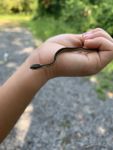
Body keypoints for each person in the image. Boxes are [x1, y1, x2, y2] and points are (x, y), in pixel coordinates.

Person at [0, 28, 113, 142]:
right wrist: (39, 58)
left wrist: (39, 58)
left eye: (35, 65)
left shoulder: (48, 61)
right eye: (35, 66)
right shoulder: (47, 62)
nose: (34, 67)